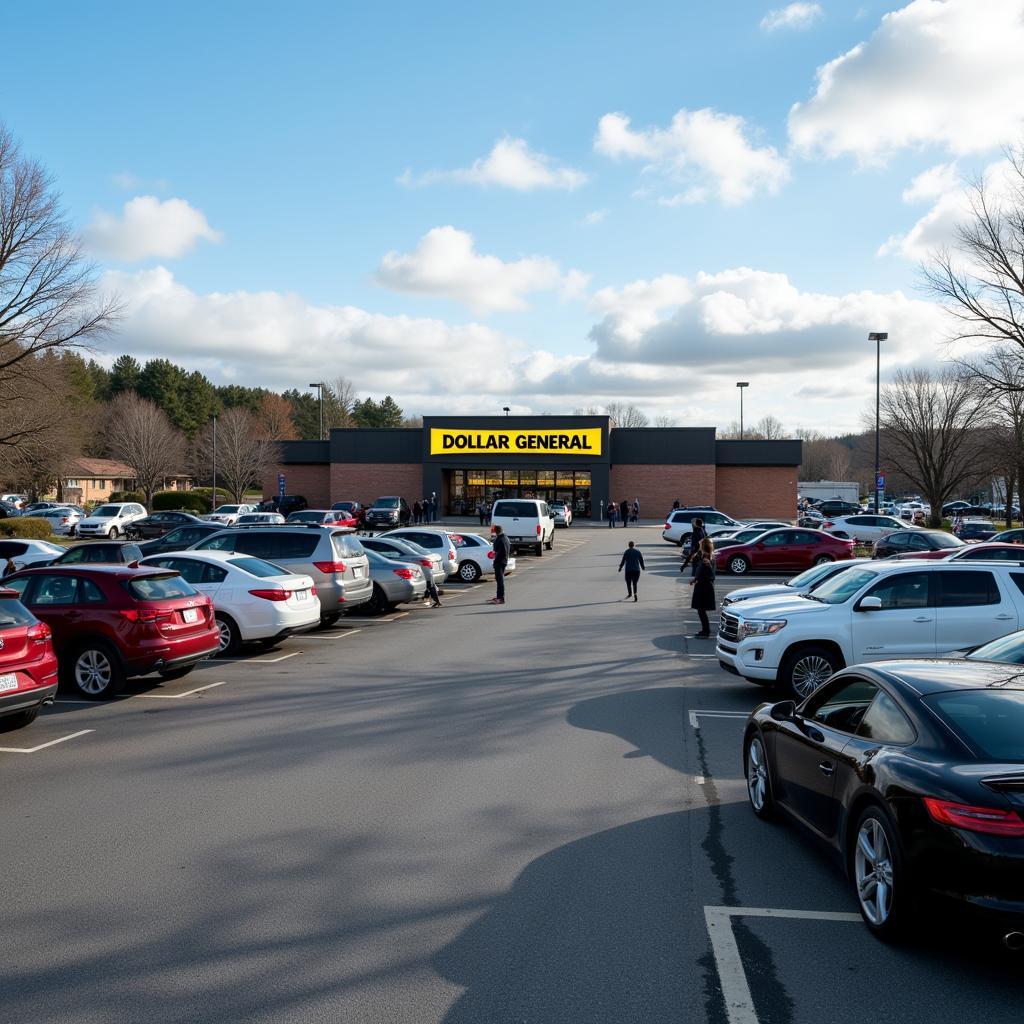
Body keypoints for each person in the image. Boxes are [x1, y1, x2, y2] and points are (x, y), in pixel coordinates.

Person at [689, 537, 716, 637]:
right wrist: (694, 580)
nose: (699, 546)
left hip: (704, 588)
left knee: (701, 610)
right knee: (701, 610)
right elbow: (700, 571)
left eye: (700, 545)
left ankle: (706, 631)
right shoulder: (705, 556)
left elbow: (711, 575)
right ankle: (705, 630)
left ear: (703, 546)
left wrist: (707, 567)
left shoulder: (707, 559)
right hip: (702, 586)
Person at [489, 525, 510, 605]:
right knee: (499, 580)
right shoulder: (504, 538)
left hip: (500, 562)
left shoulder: (501, 539)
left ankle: (501, 598)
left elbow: (502, 552)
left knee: (500, 580)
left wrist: (496, 560)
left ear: (496, 531)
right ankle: (499, 596)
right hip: (502, 561)